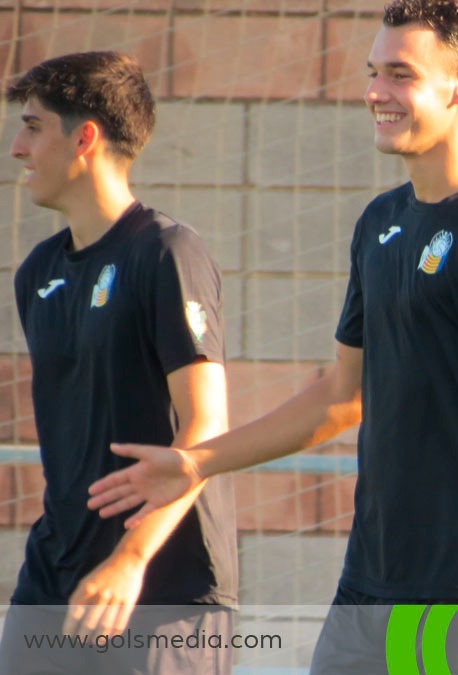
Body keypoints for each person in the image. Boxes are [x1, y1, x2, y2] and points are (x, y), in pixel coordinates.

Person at [86, 1, 458, 672]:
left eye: (401, 74)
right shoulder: (380, 223)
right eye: (374, 71)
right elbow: (340, 398)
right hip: (367, 589)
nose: (376, 91)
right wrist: (198, 462)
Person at [0, 52, 238, 675]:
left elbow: (206, 426)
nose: (17, 148)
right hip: (57, 578)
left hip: (162, 589)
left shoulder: (167, 254)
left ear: (84, 138)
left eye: (31, 126)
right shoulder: (38, 274)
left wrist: (131, 558)